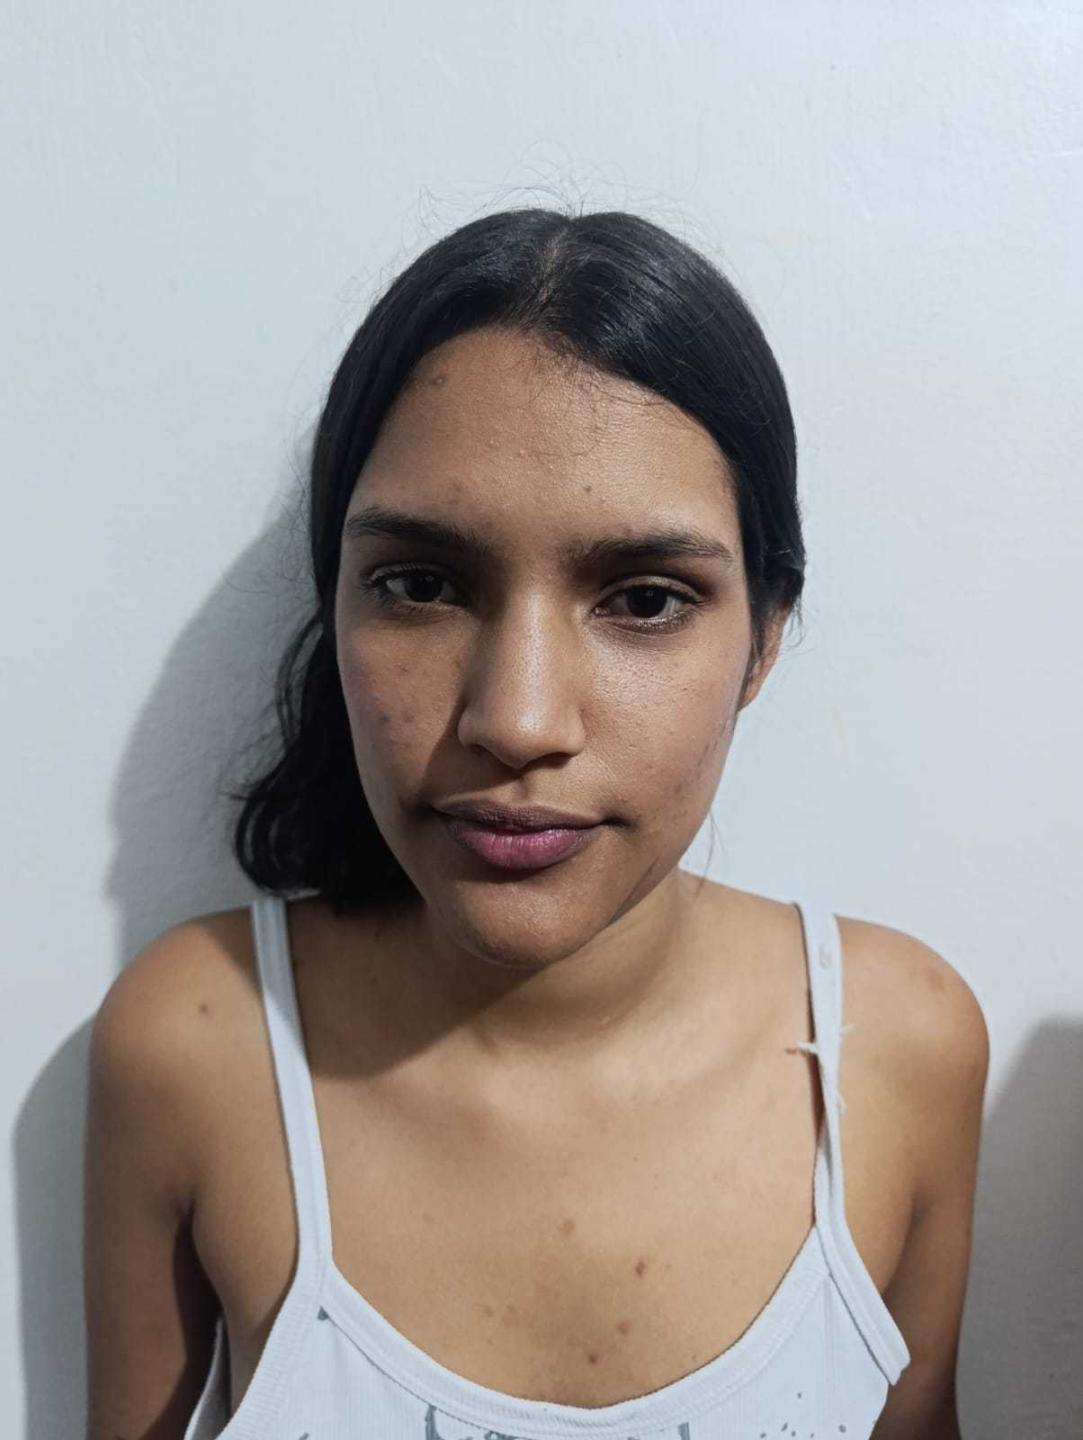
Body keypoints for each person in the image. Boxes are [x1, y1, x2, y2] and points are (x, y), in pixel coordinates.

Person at [83, 208, 989, 1440]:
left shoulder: (895, 1048)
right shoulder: (197, 1044)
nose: (515, 720)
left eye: (645, 600)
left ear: (765, 636)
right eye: (420, 585)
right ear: (335, 603)